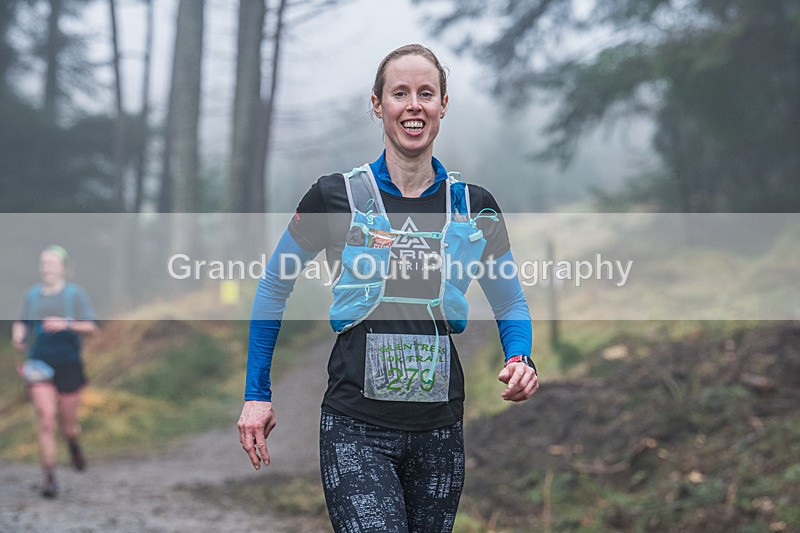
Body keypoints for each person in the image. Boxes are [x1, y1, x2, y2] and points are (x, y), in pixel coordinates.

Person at [238, 44, 538, 532]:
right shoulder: (334, 197)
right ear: (378, 104)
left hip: (440, 432)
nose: (413, 105)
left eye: (426, 93)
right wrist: (257, 392)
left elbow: (511, 301)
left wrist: (520, 358)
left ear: (443, 104)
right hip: (355, 428)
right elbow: (274, 285)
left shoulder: (474, 206)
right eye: (400, 93)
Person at [11, 245, 98, 498]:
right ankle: (49, 477)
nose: (46, 267)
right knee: (46, 419)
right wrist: (19, 335)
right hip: (39, 364)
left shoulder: (75, 295)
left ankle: (73, 444)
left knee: (67, 426)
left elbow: (92, 327)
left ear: (63, 268)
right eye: (43, 262)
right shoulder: (32, 296)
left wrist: (66, 324)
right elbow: (21, 321)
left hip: (69, 365)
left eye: (51, 262)